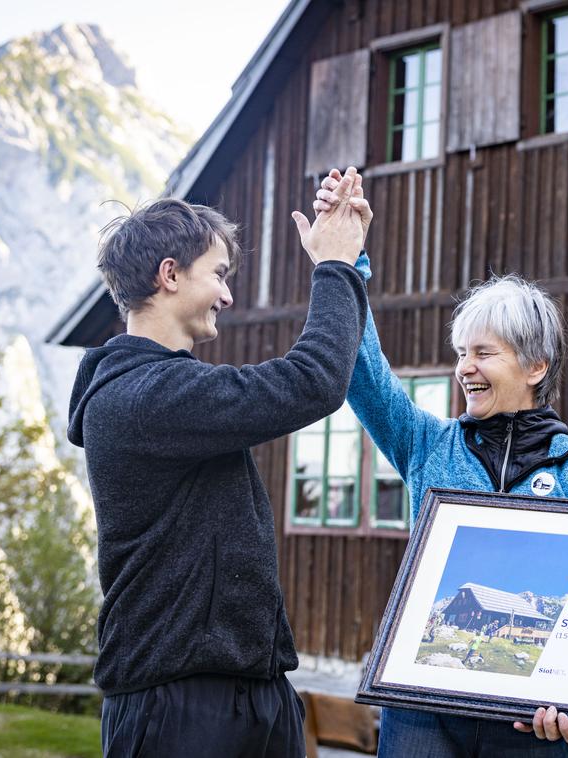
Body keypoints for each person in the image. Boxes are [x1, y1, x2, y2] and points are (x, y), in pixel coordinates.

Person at [312, 168, 568, 757]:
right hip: (422, 708)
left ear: (535, 366)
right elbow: (362, 370)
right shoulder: (426, 445)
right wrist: (346, 263)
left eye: (484, 353)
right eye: (461, 354)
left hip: (532, 722)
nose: (465, 368)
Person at [68, 169, 371, 757]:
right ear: (170, 275)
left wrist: (345, 258)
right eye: (219, 275)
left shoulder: (164, 391)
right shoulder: (144, 398)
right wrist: (334, 266)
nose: (228, 296)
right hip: (183, 706)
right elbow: (313, 381)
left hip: (246, 692)